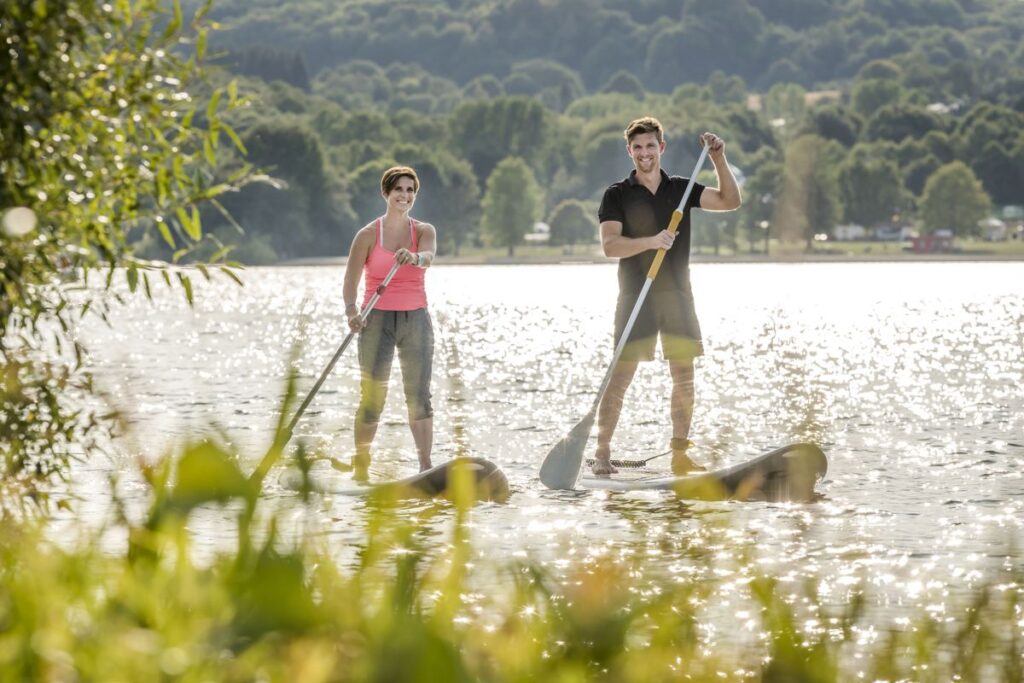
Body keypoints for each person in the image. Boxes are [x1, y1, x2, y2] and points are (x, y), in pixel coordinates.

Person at [593, 117, 741, 476]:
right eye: (638, 147)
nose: (645, 153)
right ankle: (602, 453)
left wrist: (718, 158)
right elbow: (610, 246)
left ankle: (679, 454)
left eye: (650, 146)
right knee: (620, 378)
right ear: (630, 151)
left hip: (677, 296)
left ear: (662, 147)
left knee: (684, 377)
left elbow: (729, 201)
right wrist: (651, 241)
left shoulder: (681, 188)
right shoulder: (617, 194)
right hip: (636, 298)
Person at [343, 166, 436, 480]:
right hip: (375, 319)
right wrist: (352, 312)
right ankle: (361, 465)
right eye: (399, 190)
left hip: (416, 320)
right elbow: (350, 282)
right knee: (372, 397)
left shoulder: (423, 231)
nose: (405, 196)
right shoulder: (368, 235)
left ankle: (425, 465)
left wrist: (415, 258)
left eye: (410, 191)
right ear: (386, 193)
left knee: (418, 395)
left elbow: (428, 256)